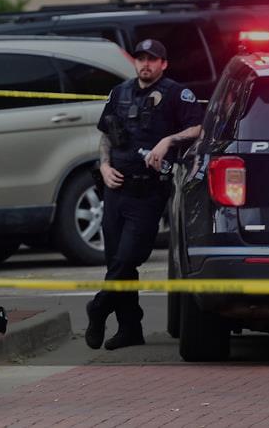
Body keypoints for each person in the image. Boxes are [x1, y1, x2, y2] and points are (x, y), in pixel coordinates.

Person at [88, 39, 203, 350]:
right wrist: (104, 166)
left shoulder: (177, 93)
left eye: (152, 59)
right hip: (115, 188)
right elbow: (105, 134)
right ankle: (130, 328)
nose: (145, 64)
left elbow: (198, 128)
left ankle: (98, 307)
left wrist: (168, 141)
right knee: (116, 261)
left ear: (163, 64)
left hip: (148, 190)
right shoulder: (120, 92)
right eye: (141, 58)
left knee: (128, 257)